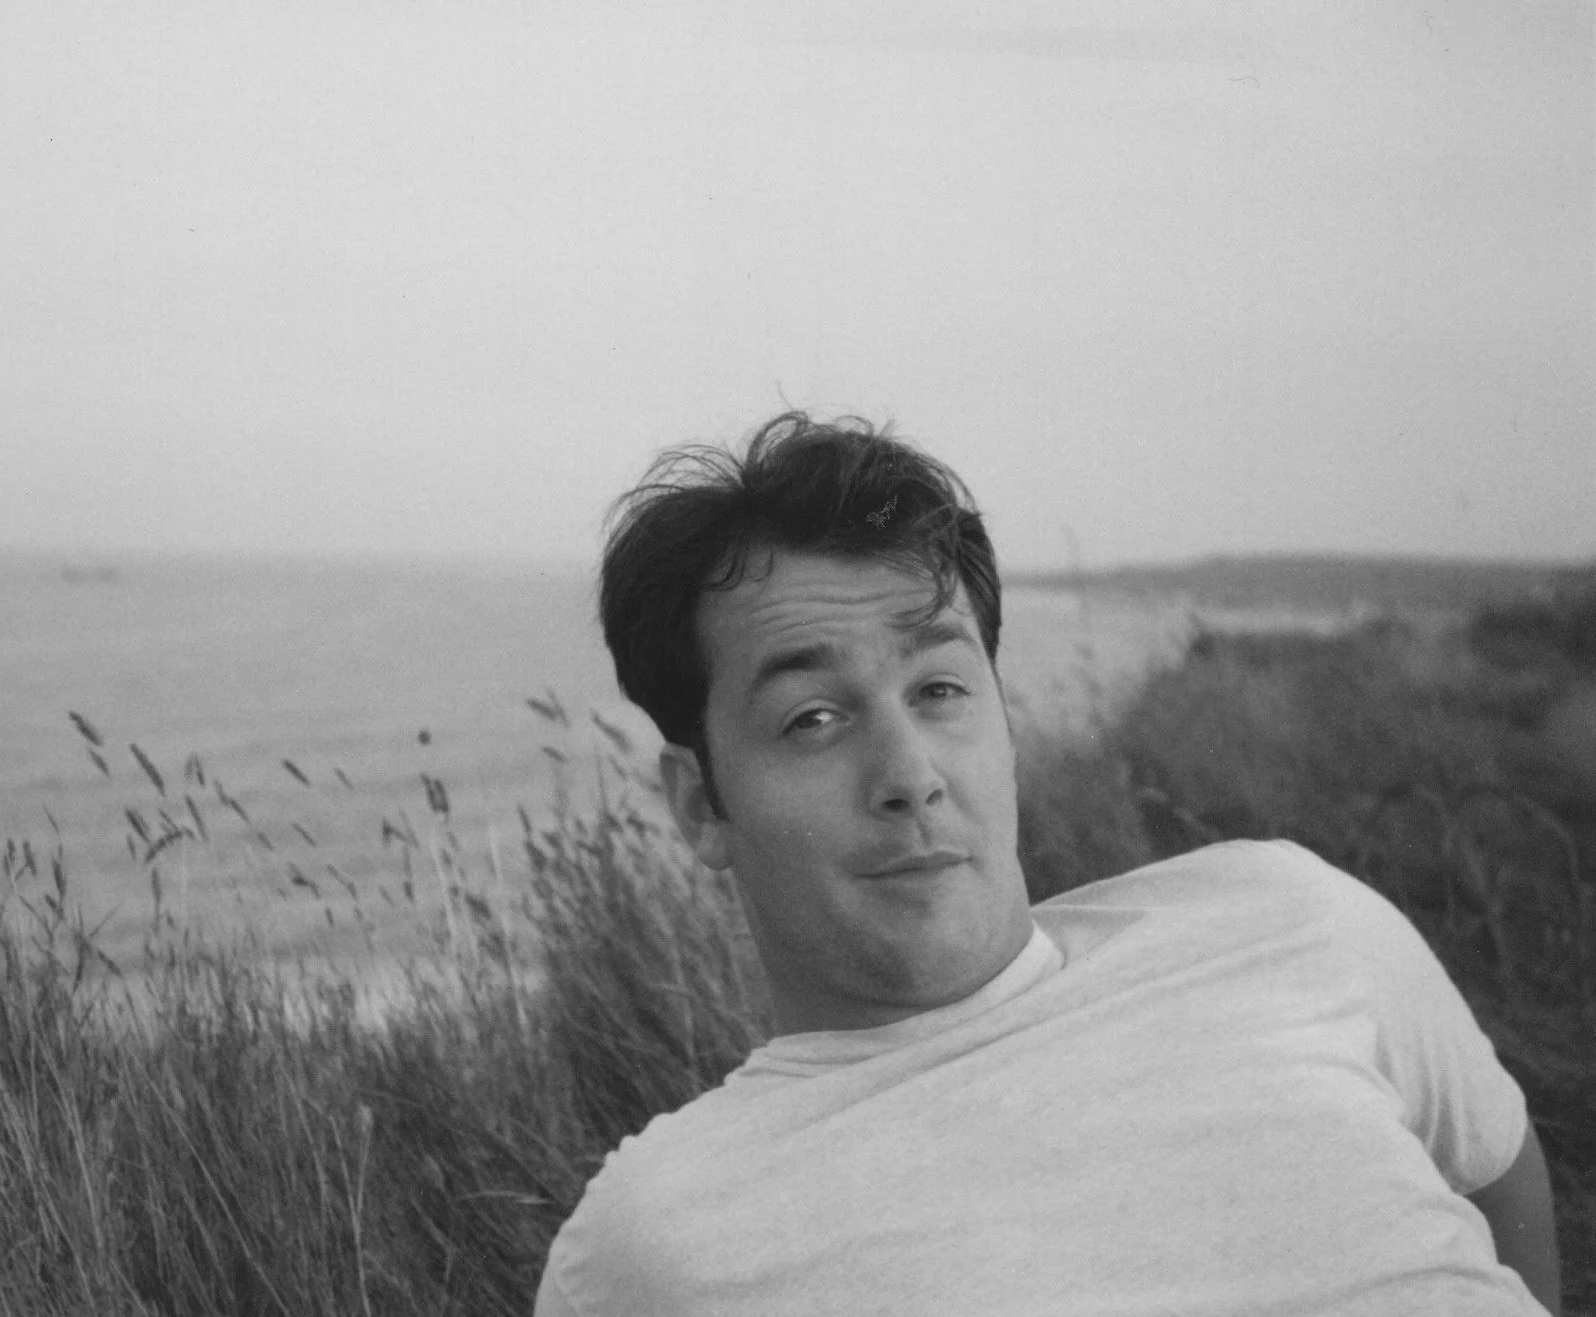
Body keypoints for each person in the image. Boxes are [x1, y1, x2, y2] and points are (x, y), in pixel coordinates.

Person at [534, 412, 1561, 1316]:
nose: (909, 775)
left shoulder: (1293, 915)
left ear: (1000, 719)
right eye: (811, 718)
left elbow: (1497, 1175)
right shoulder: (653, 1247)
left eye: (938, 690)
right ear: (699, 804)